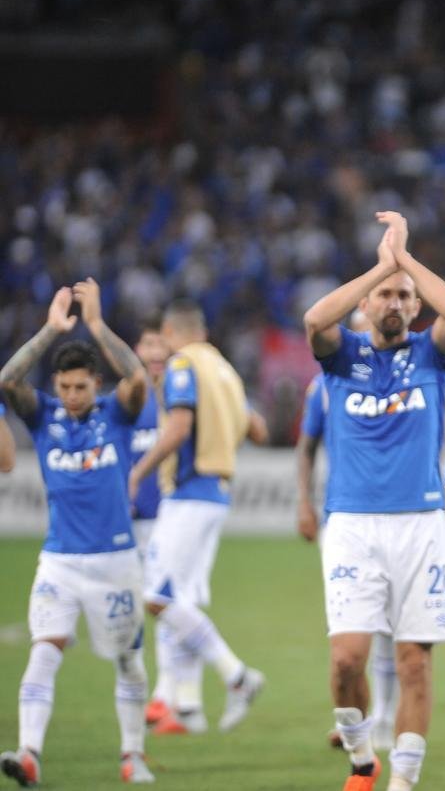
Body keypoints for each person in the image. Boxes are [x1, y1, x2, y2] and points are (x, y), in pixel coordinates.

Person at [302, 211, 445, 791]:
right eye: (384, 295)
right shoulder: (341, 356)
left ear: (414, 304)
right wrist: (380, 265)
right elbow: (313, 318)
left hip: (420, 523)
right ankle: (360, 756)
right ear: (366, 305)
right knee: (347, 660)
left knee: (415, 664)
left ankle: (402, 783)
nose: (394, 301)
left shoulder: (430, 355)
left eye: (403, 295)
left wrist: (405, 261)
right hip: (351, 523)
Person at [0, 280, 154, 785]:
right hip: (59, 561)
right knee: (45, 649)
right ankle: (29, 753)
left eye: (80, 387)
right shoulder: (45, 415)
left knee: (128, 661)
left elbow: (136, 377)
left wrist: (97, 326)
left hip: (115, 563)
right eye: (64, 387)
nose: (70, 397)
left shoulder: (117, 413)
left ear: (95, 384)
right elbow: (7, 380)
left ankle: (132, 754)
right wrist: (51, 329)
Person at [127, 298, 268, 736]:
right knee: (180, 599)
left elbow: (179, 427)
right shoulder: (224, 370)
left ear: (170, 333)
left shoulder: (183, 364)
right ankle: (186, 706)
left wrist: (139, 471)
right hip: (215, 492)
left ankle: (237, 675)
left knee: (157, 597)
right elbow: (258, 430)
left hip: (189, 491)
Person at [295, 311, 398, 751]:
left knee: (393, 629)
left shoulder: (404, 376)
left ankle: (388, 720)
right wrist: (304, 501)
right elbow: (307, 447)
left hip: (400, 515)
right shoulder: (322, 386)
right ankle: (367, 720)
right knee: (353, 631)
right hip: (350, 518)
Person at [127, 315, 174, 727]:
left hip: (172, 517)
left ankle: (166, 695)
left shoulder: (183, 395)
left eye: (162, 345)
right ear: (138, 352)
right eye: (148, 345)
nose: (156, 353)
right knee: (135, 608)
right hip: (132, 519)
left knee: (164, 603)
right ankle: (145, 690)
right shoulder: (127, 398)